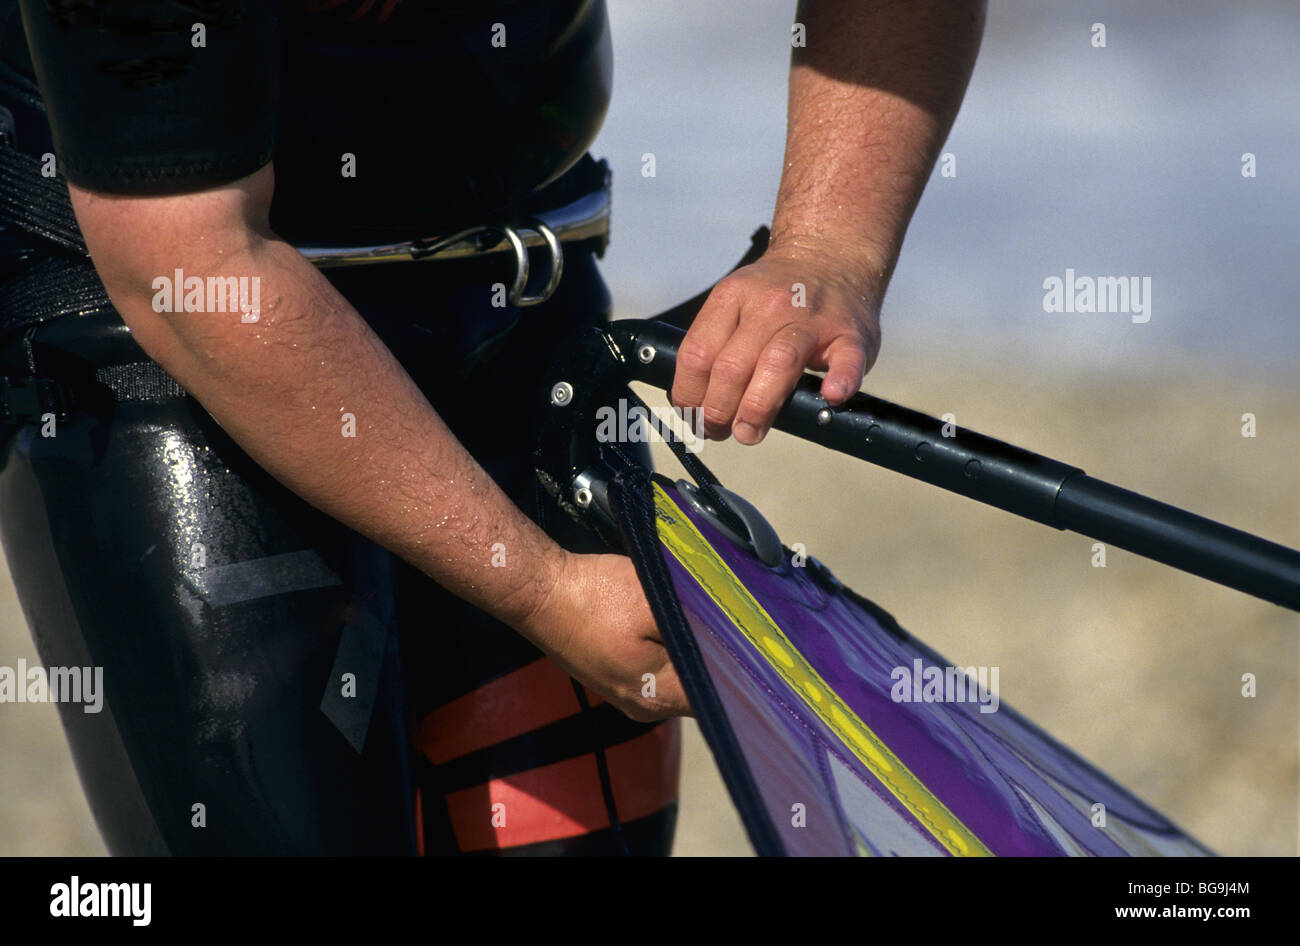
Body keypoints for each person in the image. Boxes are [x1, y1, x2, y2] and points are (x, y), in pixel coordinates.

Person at [0, 0, 984, 855]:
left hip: (523, 281)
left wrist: (826, 243)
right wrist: (537, 585)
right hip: (160, 323)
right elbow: (189, 261)